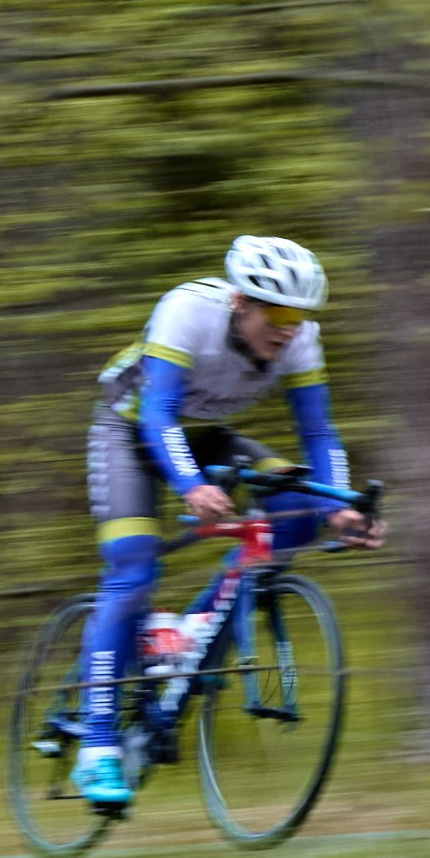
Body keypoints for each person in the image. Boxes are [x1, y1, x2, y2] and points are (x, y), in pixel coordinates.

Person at [74, 236, 382, 811]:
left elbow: (319, 435)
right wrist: (191, 485)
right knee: (135, 565)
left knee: (298, 509)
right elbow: (159, 414)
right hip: (131, 428)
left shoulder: (301, 341)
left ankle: (190, 633)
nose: (291, 329)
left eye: (301, 316)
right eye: (280, 313)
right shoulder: (186, 311)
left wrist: (340, 505)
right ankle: (96, 747)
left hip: (206, 435)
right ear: (241, 302)